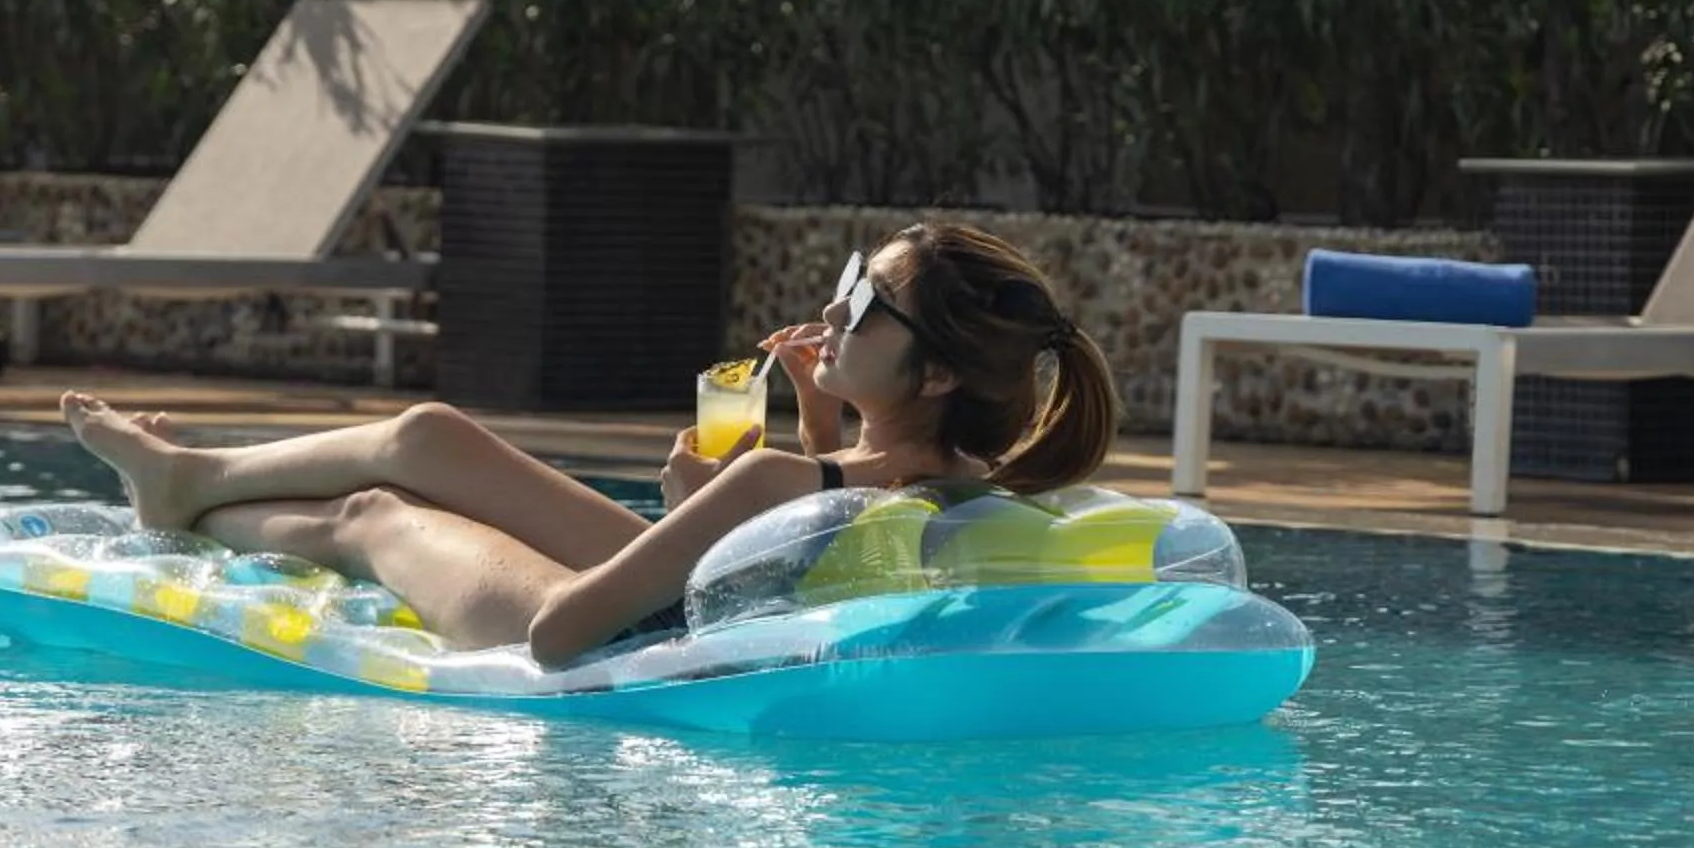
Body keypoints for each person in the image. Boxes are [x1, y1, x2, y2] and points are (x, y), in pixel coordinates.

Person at [58, 221, 1120, 667]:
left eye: (864, 303)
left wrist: (715, 505)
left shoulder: (788, 479)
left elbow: (565, 634)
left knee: (374, 514)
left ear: (933, 373)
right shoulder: (972, 480)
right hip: (703, 603)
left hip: (617, 639)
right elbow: (841, 549)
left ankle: (184, 495)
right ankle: (189, 477)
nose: (833, 314)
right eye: (849, 282)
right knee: (429, 433)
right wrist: (811, 443)